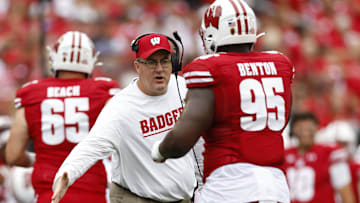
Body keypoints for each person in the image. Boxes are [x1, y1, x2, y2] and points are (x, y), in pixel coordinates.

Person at [151, 0, 293, 202]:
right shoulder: (279, 64)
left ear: (211, 33)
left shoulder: (211, 68)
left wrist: (159, 151)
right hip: (277, 188)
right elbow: (281, 120)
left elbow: (182, 139)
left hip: (229, 187)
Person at [51, 33, 200, 203]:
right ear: (138, 67)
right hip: (136, 197)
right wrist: (66, 174)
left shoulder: (183, 88)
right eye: (151, 62)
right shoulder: (121, 107)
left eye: (164, 61)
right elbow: (91, 145)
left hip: (183, 198)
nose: (159, 69)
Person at [5, 31, 120, 203]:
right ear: (90, 60)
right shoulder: (104, 90)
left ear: (55, 57)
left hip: (49, 194)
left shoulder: (31, 92)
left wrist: (41, 159)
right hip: (93, 193)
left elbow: (13, 155)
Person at [283, 112, 355, 203]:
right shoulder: (285, 154)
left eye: (309, 128)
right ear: (293, 130)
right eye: (300, 128)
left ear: (316, 128)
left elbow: (344, 190)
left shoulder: (329, 153)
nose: (305, 131)